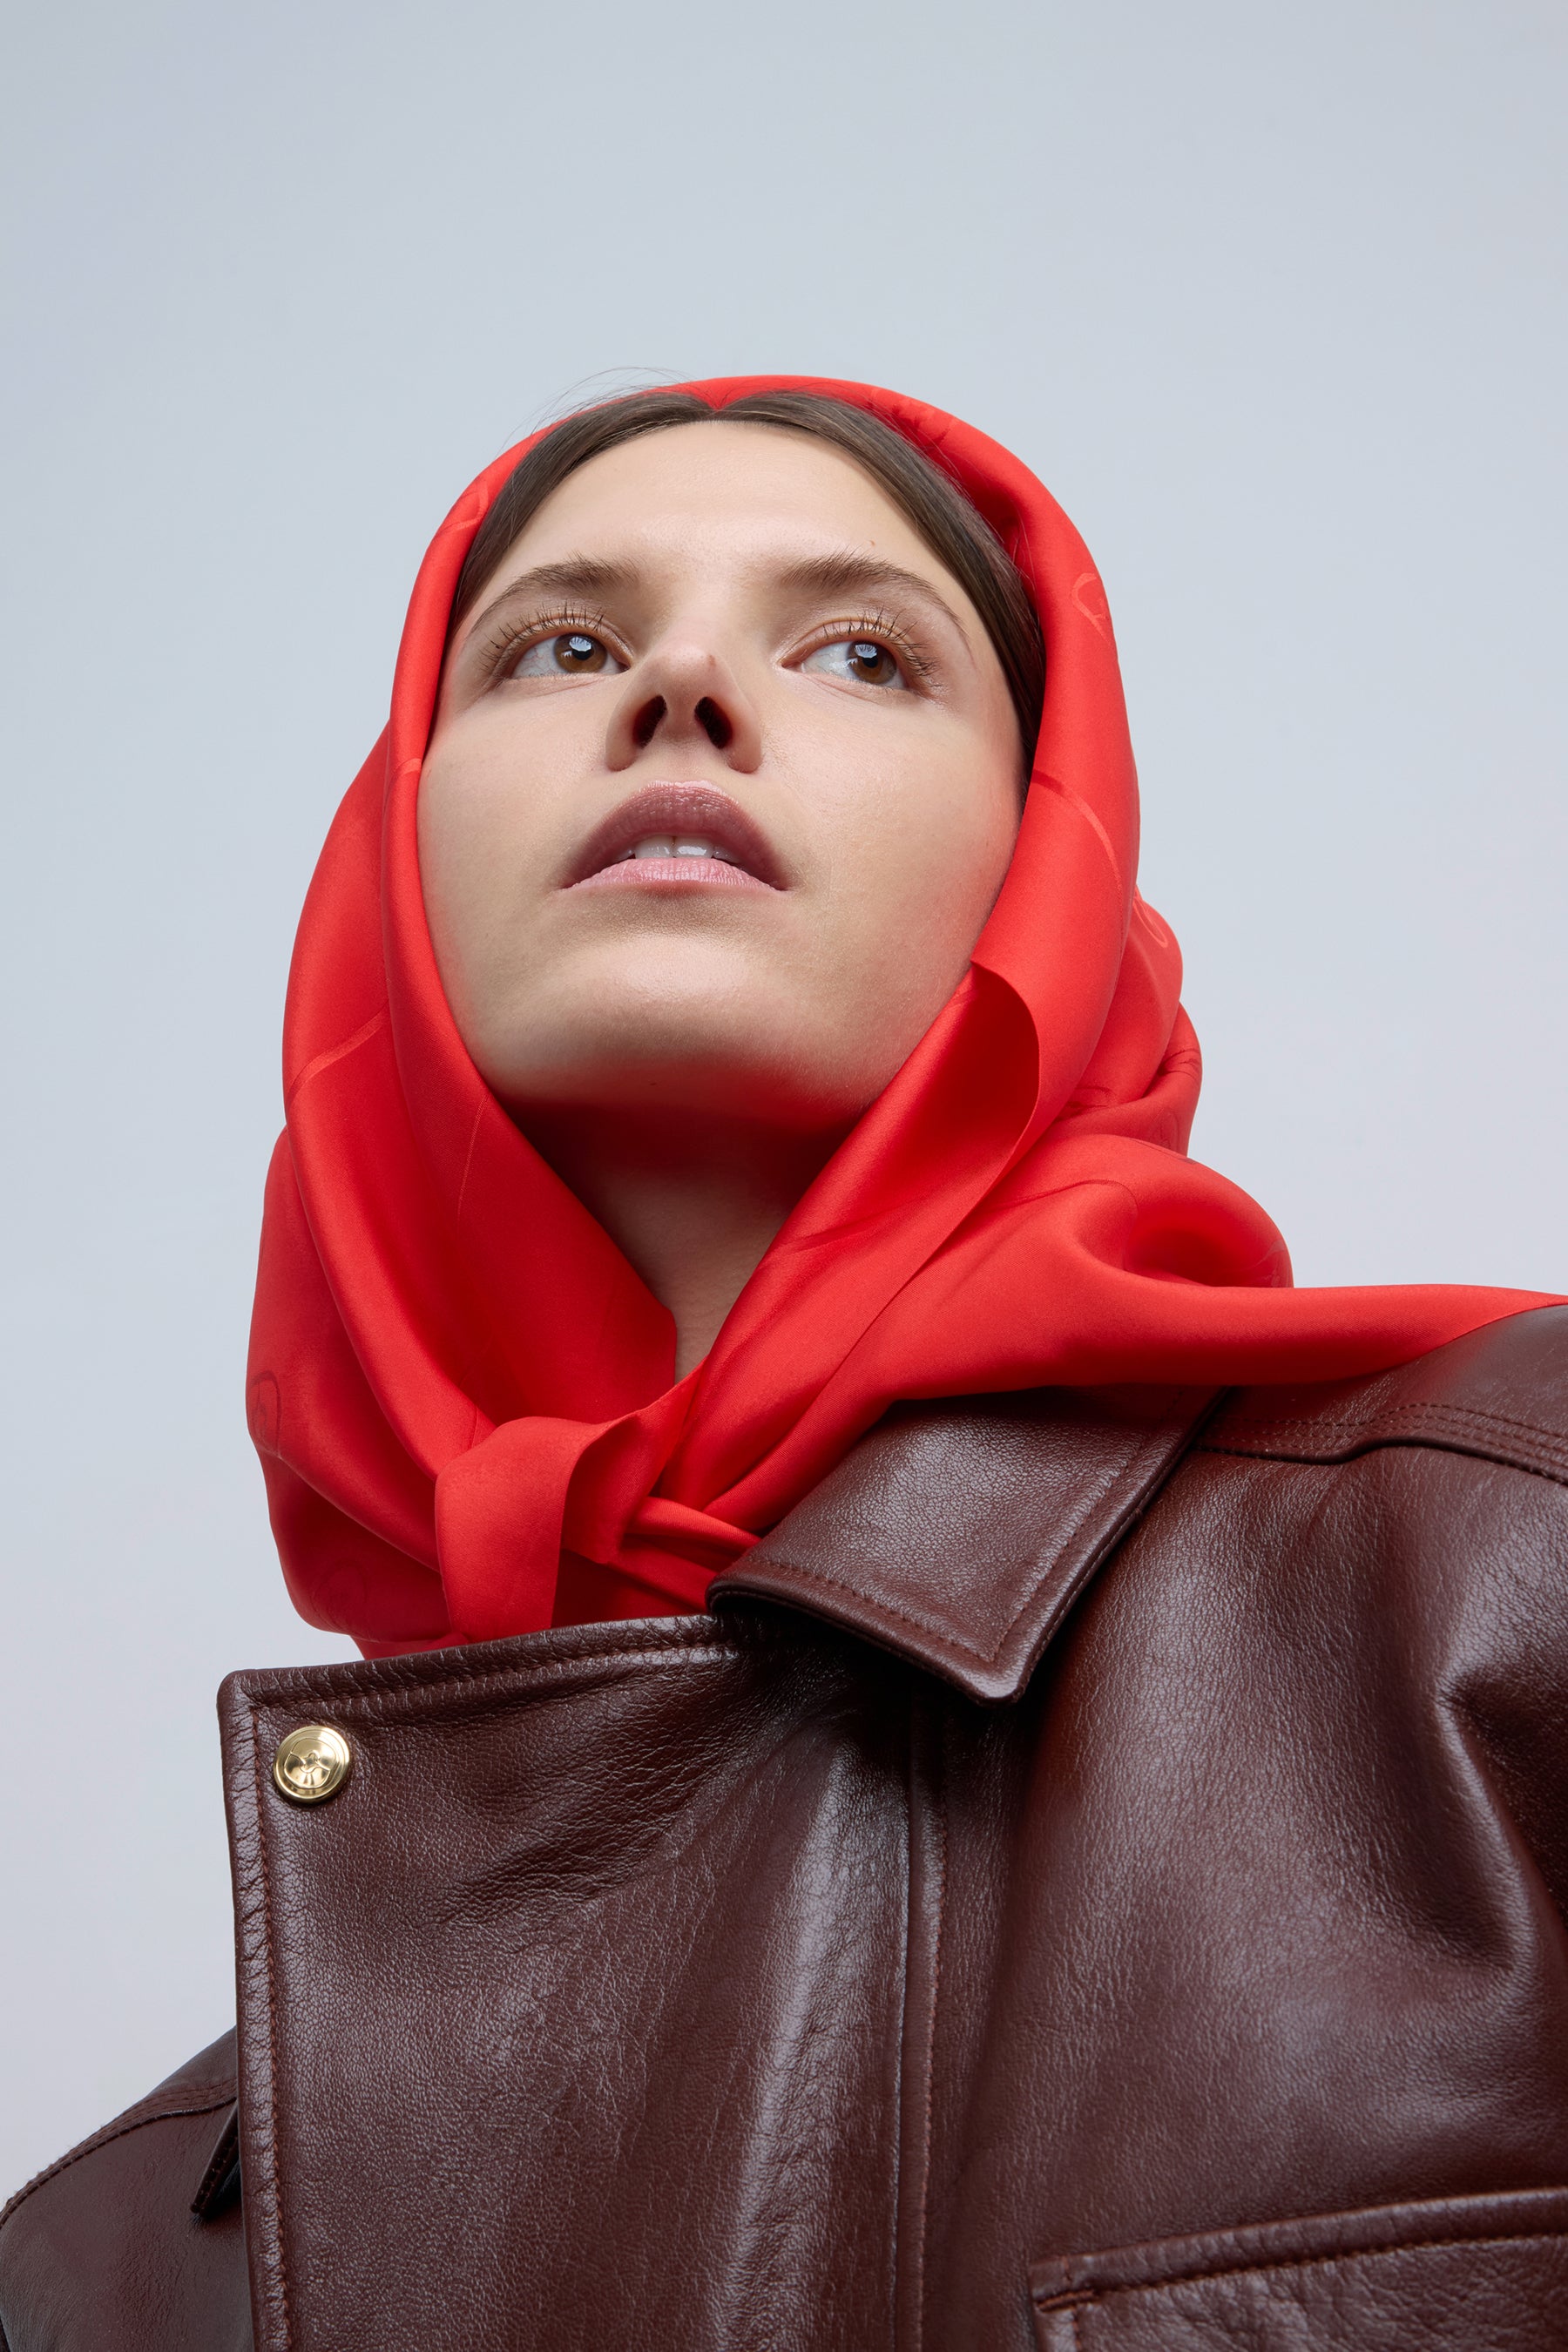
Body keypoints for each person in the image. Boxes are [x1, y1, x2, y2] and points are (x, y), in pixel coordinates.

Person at [3, 376, 1566, 2351]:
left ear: (1047, 861)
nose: (680, 688)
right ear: (393, 856)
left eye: (861, 653)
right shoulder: (104, 2265)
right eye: (562, 646)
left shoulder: (1515, 1569)